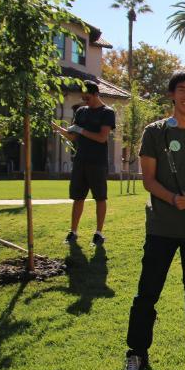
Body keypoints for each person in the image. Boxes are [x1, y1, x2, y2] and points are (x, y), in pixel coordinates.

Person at [124, 70, 185, 370]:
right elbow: (148, 180)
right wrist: (170, 197)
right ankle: (136, 352)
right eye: (182, 89)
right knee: (148, 291)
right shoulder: (154, 133)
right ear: (172, 94)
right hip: (161, 228)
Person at [51, 80, 116, 246]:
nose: (85, 101)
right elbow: (73, 136)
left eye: (87, 98)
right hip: (80, 160)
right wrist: (59, 129)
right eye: (83, 98)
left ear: (96, 94)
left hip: (98, 162)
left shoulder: (107, 112)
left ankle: (98, 233)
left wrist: (82, 131)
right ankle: (73, 232)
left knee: (100, 198)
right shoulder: (81, 112)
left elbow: (102, 138)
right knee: (78, 198)